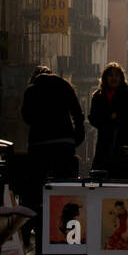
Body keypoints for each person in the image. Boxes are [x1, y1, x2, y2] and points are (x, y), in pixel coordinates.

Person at [21, 65, 85, 243]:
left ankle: (27, 233)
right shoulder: (65, 86)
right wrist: (75, 139)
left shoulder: (31, 90)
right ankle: (70, 236)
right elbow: (78, 114)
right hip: (64, 144)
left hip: (40, 145)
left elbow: (26, 117)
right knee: (65, 191)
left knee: (33, 191)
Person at [88, 62, 128, 180]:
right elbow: (93, 118)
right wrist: (109, 117)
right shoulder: (98, 96)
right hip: (104, 142)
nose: (113, 78)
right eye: (110, 75)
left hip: (123, 141)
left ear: (121, 78)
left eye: (116, 75)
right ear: (105, 77)